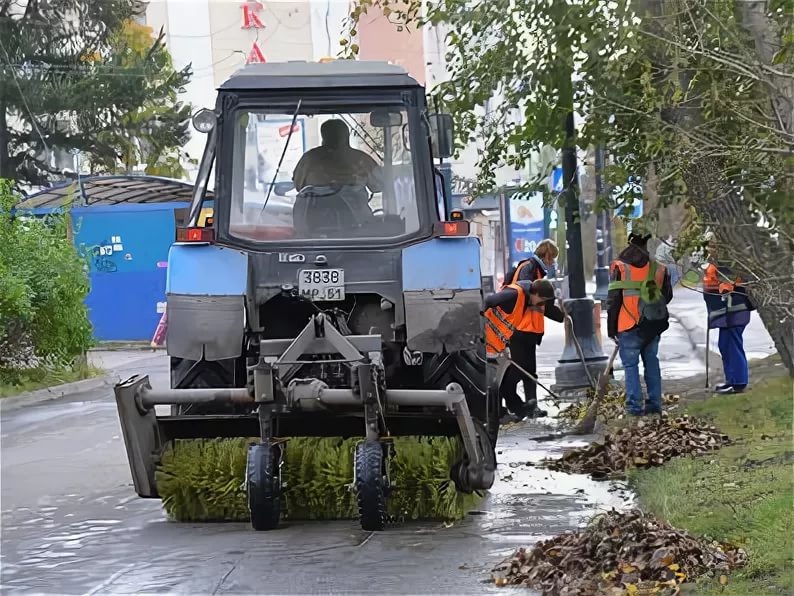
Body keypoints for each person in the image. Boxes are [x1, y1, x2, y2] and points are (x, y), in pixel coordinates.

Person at [607, 232, 673, 417]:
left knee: (630, 366)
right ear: (646, 244)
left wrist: (611, 329)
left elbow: (613, 300)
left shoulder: (619, 267)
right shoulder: (659, 268)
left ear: (629, 242)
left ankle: (634, 407)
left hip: (627, 324)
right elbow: (666, 297)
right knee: (652, 362)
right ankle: (654, 404)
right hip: (652, 325)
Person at [483, 278, 565, 420]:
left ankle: (517, 410)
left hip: (498, 344)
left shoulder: (526, 300)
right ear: (536, 293)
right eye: (541, 301)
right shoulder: (514, 294)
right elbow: (488, 302)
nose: (541, 306)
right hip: (486, 341)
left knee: (507, 378)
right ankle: (505, 411)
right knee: (506, 379)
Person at [702, 242, 754, 394]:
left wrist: (722, 289)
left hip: (733, 311)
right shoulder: (718, 263)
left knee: (731, 345)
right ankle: (732, 380)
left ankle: (738, 383)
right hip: (728, 313)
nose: (708, 250)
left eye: (711, 247)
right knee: (726, 345)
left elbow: (727, 285)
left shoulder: (726, 263)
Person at [292, 119, 383, 193]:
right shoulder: (361, 159)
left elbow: (298, 186)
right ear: (347, 136)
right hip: (356, 214)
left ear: (323, 136)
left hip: (315, 214)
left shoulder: (309, 158)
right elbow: (379, 185)